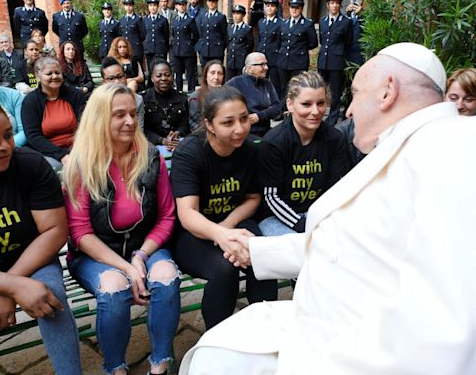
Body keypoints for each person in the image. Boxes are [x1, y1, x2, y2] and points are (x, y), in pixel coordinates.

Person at [179, 42, 476, 375]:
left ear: (387, 92)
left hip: (356, 346)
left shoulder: (455, 151)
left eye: (356, 93)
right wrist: (255, 250)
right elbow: (352, 243)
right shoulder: (414, 145)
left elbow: (450, 328)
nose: (347, 111)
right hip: (327, 320)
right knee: (217, 349)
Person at [0, 87, 82, 375]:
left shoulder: (28, 165)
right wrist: (10, 287)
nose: (6, 146)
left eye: (7, 134)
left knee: (49, 294)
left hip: (30, 258)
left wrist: (11, 283)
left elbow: (54, 231)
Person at [63, 83, 179, 375]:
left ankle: (160, 365)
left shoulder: (149, 156)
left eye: (132, 113)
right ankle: (116, 368)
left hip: (144, 244)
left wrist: (140, 257)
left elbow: (166, 215)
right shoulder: (82, 163)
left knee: (165, 276)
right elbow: (80, 233)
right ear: (100, 118)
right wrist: (127, 269)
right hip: (97, 253)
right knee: (114, 288)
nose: (130, 121)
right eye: (119, 115)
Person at [171, 86, 278, 331]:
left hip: (233, 221)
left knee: (261, 255)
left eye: (243, 118)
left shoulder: (251, 150)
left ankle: (266, 328)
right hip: (193, 232)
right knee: (225, 267)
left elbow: (252, 198)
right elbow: (187, 213)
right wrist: (221, 235)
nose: (240, 128)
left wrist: (227, 227)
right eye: (228, 122)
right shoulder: (190, 153)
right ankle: (217, 336)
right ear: (210, 125)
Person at [257, 71, 350, 236]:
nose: (315, 111)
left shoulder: (335, 139)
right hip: (278, 216)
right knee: (297, 250)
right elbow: (271, 197)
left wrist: (319, 221)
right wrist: (303, 226)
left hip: (318, 214)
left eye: (321, 103)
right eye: (306, 104)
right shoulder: (274, 142)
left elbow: (336, 187)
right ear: (290, 105)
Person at [21, 57, 86, 169]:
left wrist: (77, 151)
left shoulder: (75, 95)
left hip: (79, 148)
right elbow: (33, 136)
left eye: (57, 72)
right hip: (48, 152)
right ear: (38, 76)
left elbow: (85, 125)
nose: (55, 76)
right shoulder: (30, 101)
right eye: (49, 73)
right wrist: (61, 155)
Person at [318, 0, 353, 126]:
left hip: (336, 62)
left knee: (335, 92)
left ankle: (332, 118)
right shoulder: (322, 21)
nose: (335, 6)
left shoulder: (345, 22)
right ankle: (318, 113)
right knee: (320, 88)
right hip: (323, 61)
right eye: (332, 3)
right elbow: (322, 41)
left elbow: (348, 43)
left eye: (337, 3)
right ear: (327, 5)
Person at [226, 52, 280, 137]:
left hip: (265, 132)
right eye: (262, 65)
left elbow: (277, 108)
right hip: (243, 133)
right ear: (250, 68)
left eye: (266, 64)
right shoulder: (235, 83)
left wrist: (259, 116)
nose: (266, 68)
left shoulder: (267, 84)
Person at [140, 58, 189, 150]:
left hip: (176, 144)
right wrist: (161, 140)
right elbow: (143, 129)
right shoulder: (143, 99)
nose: (163, 79)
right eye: (158, 75)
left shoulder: (182, 98)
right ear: (152, 78)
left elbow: (185, 124)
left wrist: (177, 133)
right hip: (150, 146)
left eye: (167, 75)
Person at [277, 0, 318, 99]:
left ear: (301, 9)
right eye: (292, 7)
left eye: (297, 7)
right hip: (283, 62)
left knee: (297, 89)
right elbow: (279, 41)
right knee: (283, 88)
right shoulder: (283, 23)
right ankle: (283, 111)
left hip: (298, 62)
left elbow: (313, 43)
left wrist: (300, 49)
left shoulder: (307, 24)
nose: (294, 10)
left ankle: (295, 112)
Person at [100, 56, 145, 129]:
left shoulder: (137, 100)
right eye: (111, 79)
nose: (117, 82)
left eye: (120, 77)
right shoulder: (98, 102)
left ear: (125, 77)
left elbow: (139, 131)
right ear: (104, 82)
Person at [256, 0, 282, 98]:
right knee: (261, 82)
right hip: (262, 58)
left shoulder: (280, 23)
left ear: (276, 8)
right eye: (267, 5)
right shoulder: (261, 22)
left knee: (275, 84)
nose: (269, 8)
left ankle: (277, 106)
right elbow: (259, 39)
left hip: (274, 58)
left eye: (272, 6)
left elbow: (281, 42)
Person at [171, 0, 199, 93]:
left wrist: (190, 45)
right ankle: (178, 92)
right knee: (178, 74)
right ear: (176, 6)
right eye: (179, 4)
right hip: (177, 51)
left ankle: (191, 92)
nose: (182, 7)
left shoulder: (190, 19)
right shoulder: (174, 19)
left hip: (187, 51)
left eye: (183, 4)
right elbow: (173, 34)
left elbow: (196, 35)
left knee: (190, 74)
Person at [188, 59, 225, 132]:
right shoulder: (196, 97)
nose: (216, 77)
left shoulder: (228, 95)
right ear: (205, 76)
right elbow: (194, 124)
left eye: (220, 73)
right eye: (212, 73)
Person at [195, 0, 228, 67]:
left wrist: (220, 48)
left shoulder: (221, 17)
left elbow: (224, 36)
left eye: (213, 1)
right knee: (205, 73)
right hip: (204, 51)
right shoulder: (202, 16)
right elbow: (200, 33)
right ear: (207, 2)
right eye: (209, 1)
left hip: (216, 51)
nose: (211, 3)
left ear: (216, 2)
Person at [144, 0, 170, 78]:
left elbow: (166, 35)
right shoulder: (144, 20)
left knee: (161, 71)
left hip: (160, 49)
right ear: (148, 7)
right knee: (151, 71)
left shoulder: (163, 20)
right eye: (151, 5)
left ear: (158, 6)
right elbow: (143, 34)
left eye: (154, 5)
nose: (153, 7)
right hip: (149, 50)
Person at [226, 5, 254, 81]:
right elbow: (228, 44)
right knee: (229, 82)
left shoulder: (247, 29)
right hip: (231, 60)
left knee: (240, 82)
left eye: (238, 14)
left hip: (241, 60)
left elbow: (250, 45)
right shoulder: (230, 28)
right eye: (234, 14)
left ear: (243, 15)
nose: (235, 16)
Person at [119, 0, 146, 69]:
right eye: (126, 5)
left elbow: (143, 35)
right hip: (125, 50)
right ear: (124, 6)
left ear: (133, 6)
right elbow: (120, 35)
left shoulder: (138, 19)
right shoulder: (122, 20)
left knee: (138, 70)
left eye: (130, 5)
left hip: (136, 50)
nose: (128, 7)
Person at [345, 0, 365, 66]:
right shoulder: (345, 16)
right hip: (344, 55)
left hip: (358, 56)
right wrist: (347, 16)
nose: (357, 1)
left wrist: (361, 15)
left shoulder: (366, 16)